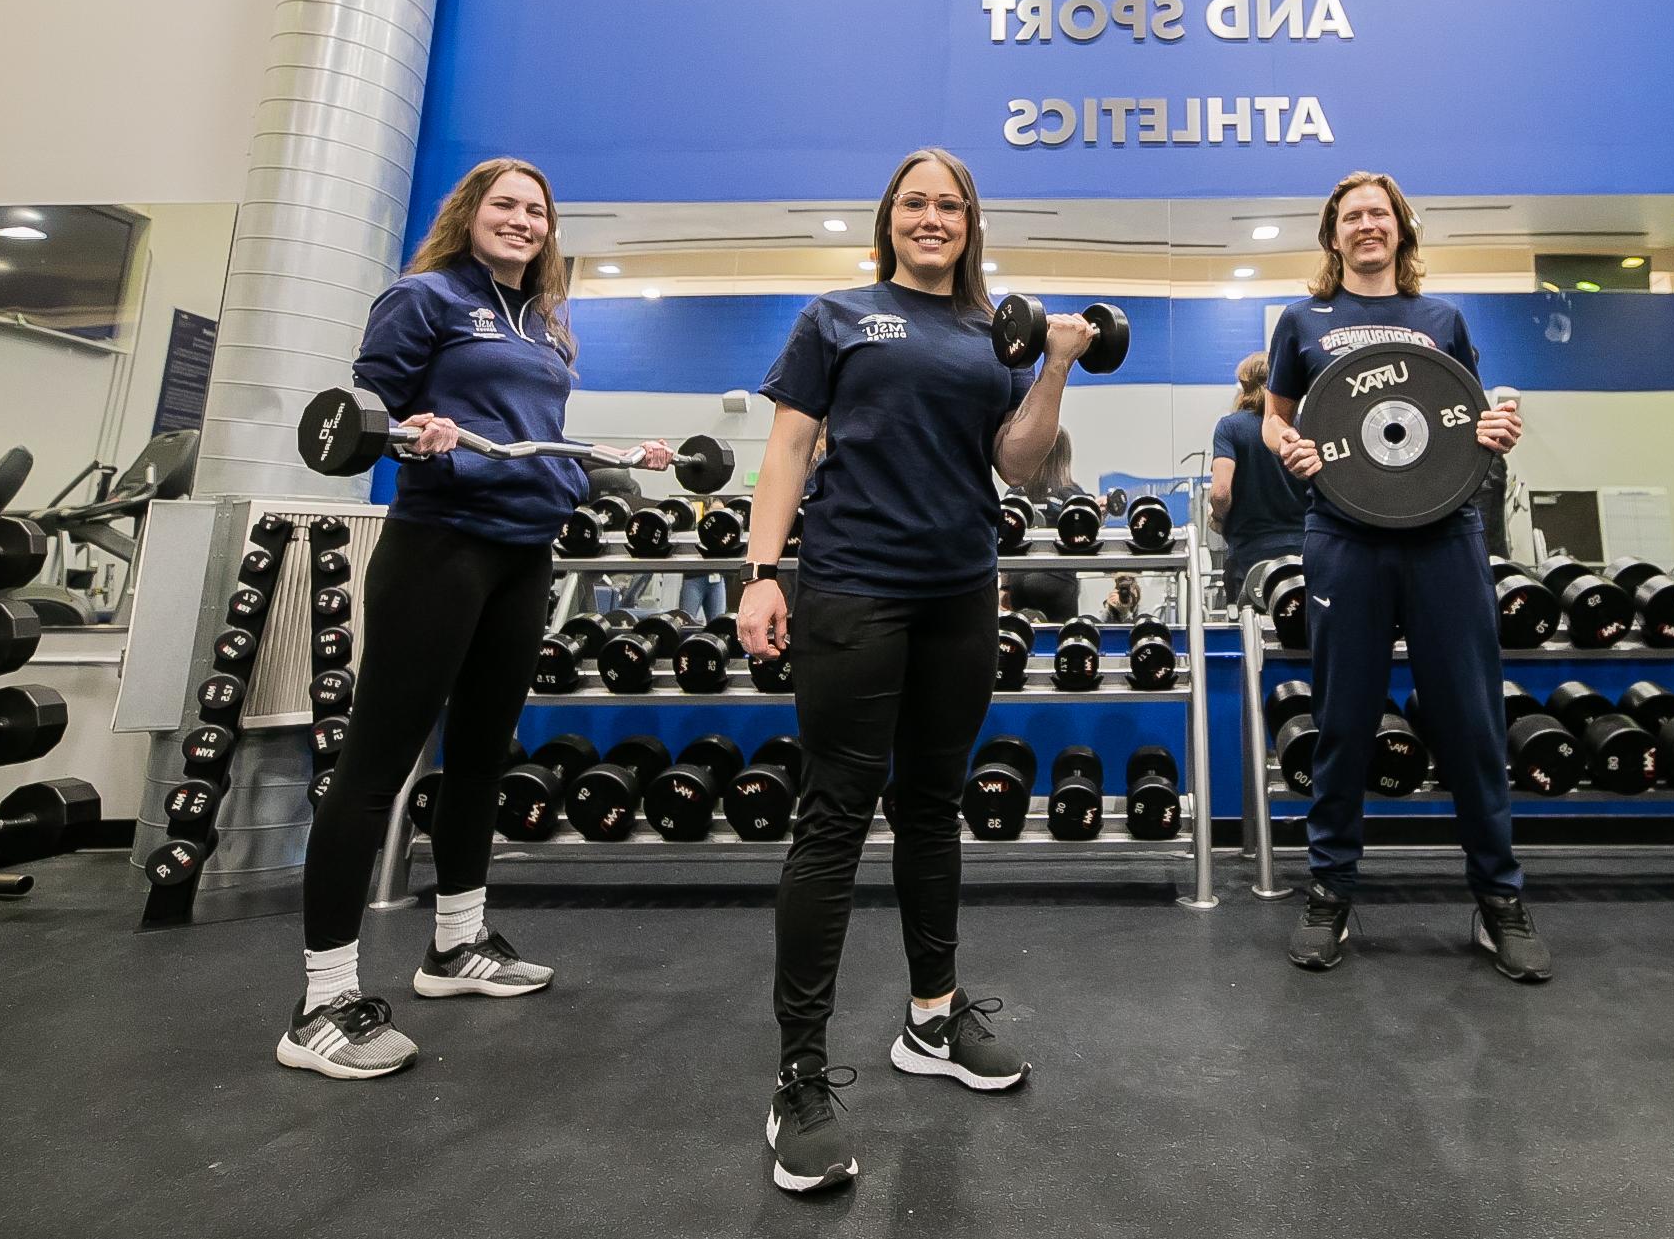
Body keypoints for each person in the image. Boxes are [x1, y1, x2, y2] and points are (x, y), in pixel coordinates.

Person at [738, 147, 1088, 1193]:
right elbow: (788, 450)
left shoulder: (997, 334)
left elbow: (1017, 461)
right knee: (835, 813)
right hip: (853, 584)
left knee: (934, 807)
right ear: (889, 218)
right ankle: (800, 1072)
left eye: (950, 204)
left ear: (971, 223)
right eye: (915, 202)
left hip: (959, 591)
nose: (932, 217)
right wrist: (764, 573)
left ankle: (932, 1016)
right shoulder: (836, 316)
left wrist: (1058, 362)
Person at [279, 158, 673, 1080]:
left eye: (538, 210)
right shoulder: (425, 297)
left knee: (483, 757)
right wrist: (415, 427)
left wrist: (611, 459)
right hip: (440, 545)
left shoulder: (543, 323)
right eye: (506, 204)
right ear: (471, 212)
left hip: (523, 552)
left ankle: (455, 946)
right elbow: (367, 405)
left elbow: (532, 429)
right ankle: (321, 1000)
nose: (524, 220)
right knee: (375, 765)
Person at [1264, 172, 1537, 981]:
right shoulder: (1302, 320)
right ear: (1333, 235)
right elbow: (1277, 415)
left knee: (1473, 721)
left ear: (1401, 229)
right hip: (1344, 533)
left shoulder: (1440, 318)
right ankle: (1330, 892)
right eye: (1351, 217)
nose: (1366, 225)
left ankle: (1499, 898)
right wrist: (1286, 444)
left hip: (1444, 534)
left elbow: (1467, 417)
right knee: (1344, 720)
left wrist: (1502, 425)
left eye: (1378, 213)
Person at [1210, 351, 1307, 605]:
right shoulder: (1304, 427)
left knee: (1252, 639)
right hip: (1305, 556)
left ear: (1244, 385)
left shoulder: (1230, 427)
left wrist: (1218, 518)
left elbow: (1220, 492)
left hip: (1251, 560)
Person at [1000, 427, 1086, 622]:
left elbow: (1004, 539)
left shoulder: (1015, 494)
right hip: (1057, 580)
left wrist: (1005, 586)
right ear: (1064, 457)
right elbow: (1087, 534)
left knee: (1024, 639)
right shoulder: (1071, 494)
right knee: (1062, 639)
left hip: (1019, 580)